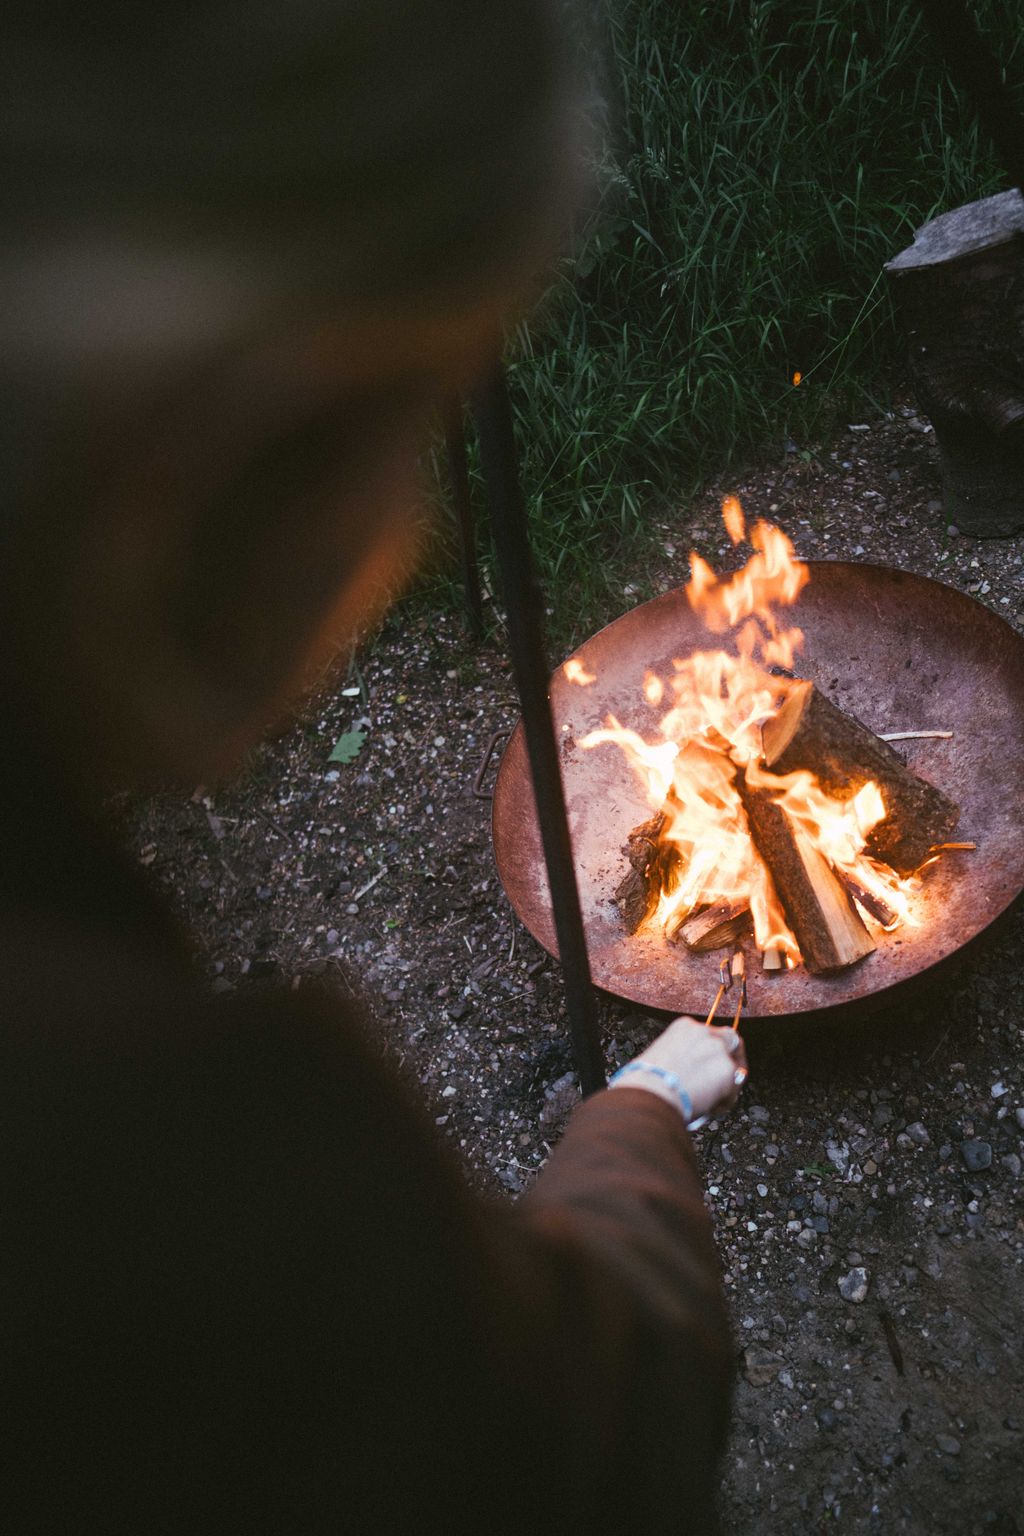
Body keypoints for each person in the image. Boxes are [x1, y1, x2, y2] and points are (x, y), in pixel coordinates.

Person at [1, 3, 747, 1530]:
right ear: (198, 477)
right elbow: (603, 1425)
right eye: (406, 434)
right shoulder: (170, 1180)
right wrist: (634, 1121)